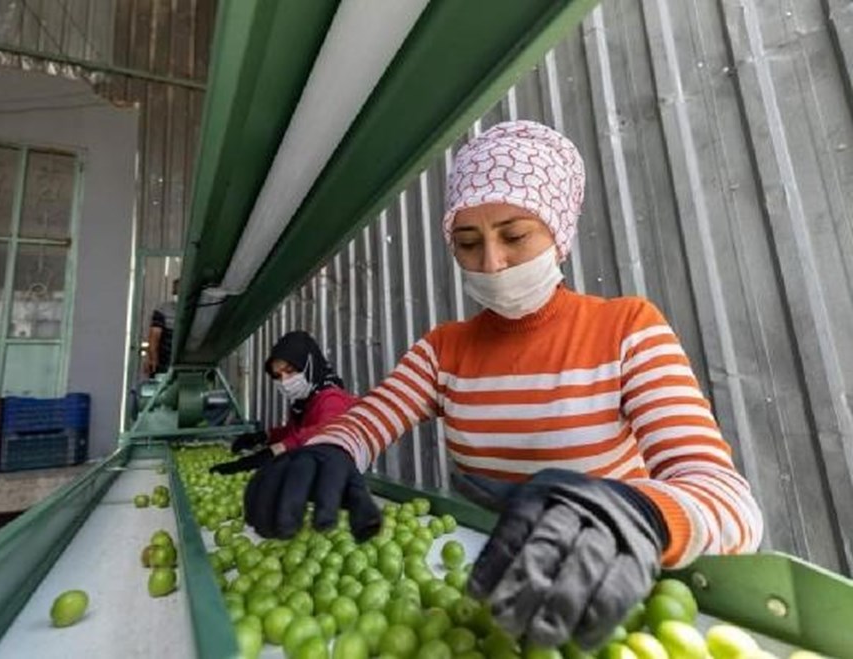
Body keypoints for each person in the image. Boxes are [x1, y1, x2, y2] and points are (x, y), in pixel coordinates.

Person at [243, 121, 764, 650]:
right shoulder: (444, 351)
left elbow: (727, 499)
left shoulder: (627, 330)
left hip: (600, 595)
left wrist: (638, 513)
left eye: (514, 236)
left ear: (558, 231)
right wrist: (327, 450)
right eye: (468, 243)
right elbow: (370, 421)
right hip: (479, 589)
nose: (491, 263)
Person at [211, 330, 357, 474]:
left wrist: (274, 451)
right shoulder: (304, 402)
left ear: (310, 365)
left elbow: (325, 431)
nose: (285, 381)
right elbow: (295, 433)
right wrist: (264, 436)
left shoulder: (331, 397)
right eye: (278, 375)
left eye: (290, 370)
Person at [144, 278, 178, 378]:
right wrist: (153, 360)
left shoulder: (197, 310)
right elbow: (154, 337)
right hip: (165, 362)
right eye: (175, 291)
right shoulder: (163, 310)